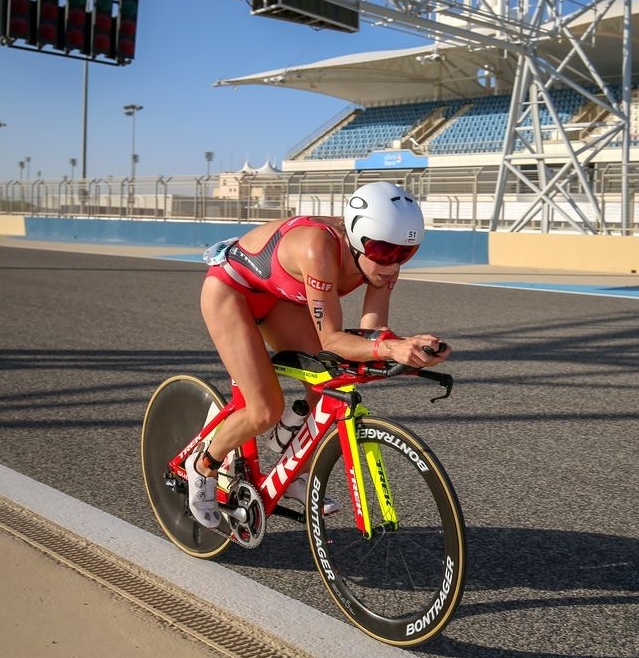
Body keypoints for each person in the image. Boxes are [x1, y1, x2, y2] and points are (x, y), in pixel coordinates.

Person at [186, 181, 451, 529]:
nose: (394, 263)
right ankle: (203, 465)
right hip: (232, 290)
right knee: (264, 410)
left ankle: (296, 467)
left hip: (279, 298)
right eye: (385, 251)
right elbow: (334, 339)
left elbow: (372, 335)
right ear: (357, 238)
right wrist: (387, 347)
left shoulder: (381, 259)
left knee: (331, 376)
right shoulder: (318, 248)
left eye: (407, 252)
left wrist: (410, 350)